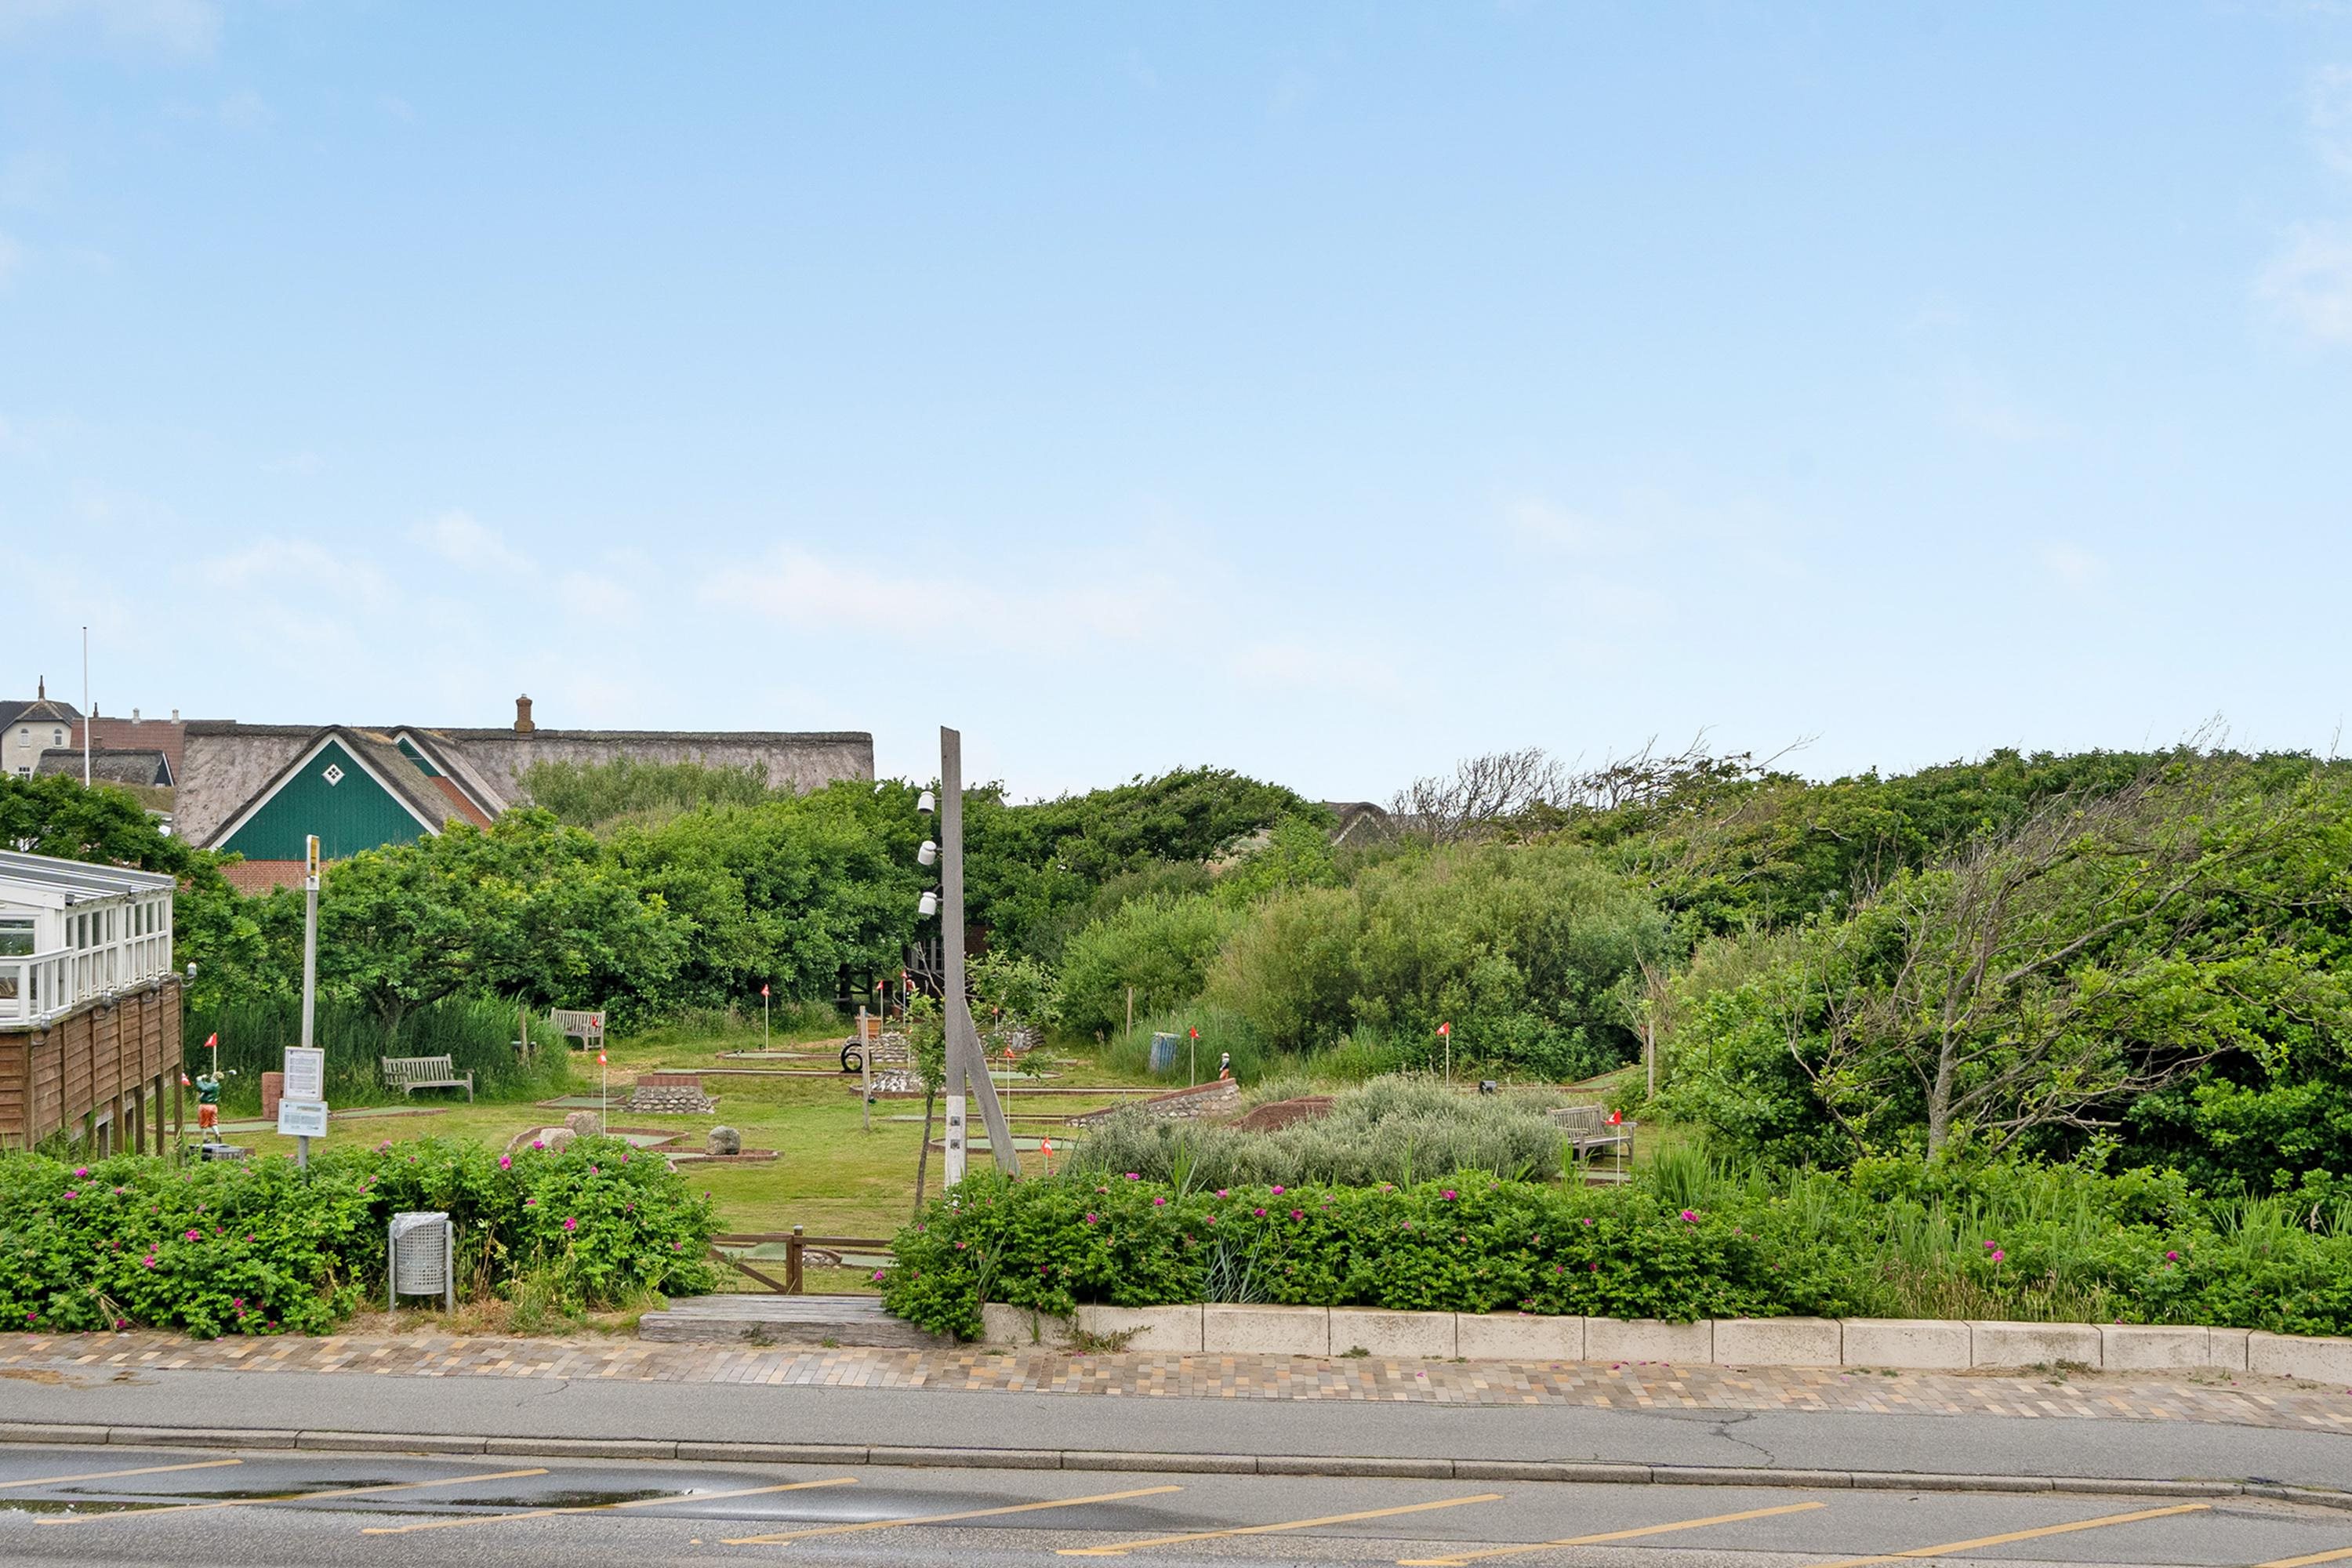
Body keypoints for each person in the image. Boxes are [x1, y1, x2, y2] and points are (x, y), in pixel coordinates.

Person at [193, 1070, 222, 1140]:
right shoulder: (216, 1085)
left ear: (214, 1077)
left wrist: (199, 1081)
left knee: (203, 1122)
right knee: (213, 1122)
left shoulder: (213, 1085)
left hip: (205, 1106)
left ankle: (205, 1138)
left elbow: (204, 1088)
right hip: (213, 1106)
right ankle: (217, 1135)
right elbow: (206, 1085)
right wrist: (202, 1079)